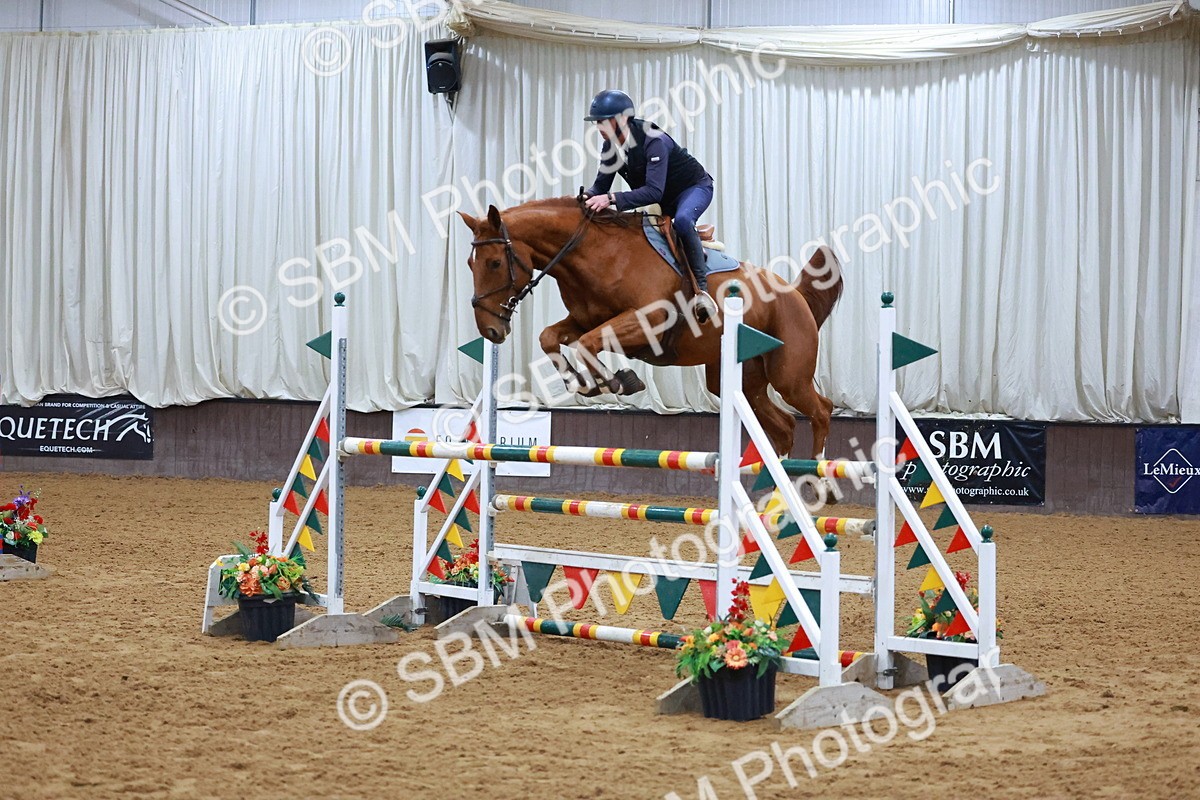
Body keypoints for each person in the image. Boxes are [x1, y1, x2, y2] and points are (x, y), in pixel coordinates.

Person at [581, 89, 718, 320]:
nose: (599, 128)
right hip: (662, 197)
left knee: (683, 221)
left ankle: (702, 290)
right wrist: (582, 200)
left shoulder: (654, 141)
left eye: (603, 122)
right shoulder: (610, 147)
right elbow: (600, 188)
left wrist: (612, 199)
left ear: (622, 119)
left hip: (693, 188)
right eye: (597, 123)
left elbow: (654, 191)